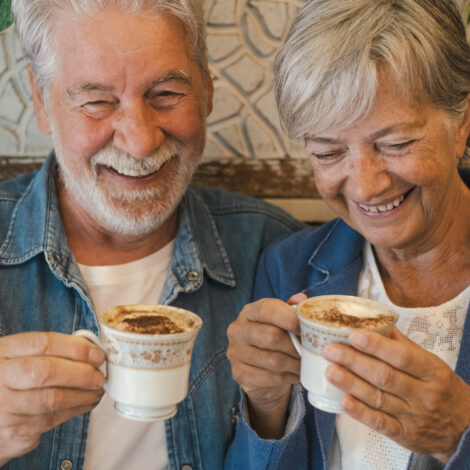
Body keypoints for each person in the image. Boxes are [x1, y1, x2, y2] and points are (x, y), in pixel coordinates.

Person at [0, 1, 304, 469]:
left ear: (206, 89)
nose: (140, 141)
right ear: (42, 103)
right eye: (98, 102)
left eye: (165, 93)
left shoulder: (279, 252)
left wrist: (269, 410)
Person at [225, 0, 470, 469]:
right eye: (328, 152)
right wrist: (265, 406)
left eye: (395, 144)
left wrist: (460, 433)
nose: (365, 184)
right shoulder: (289, 268)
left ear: (461, 123)